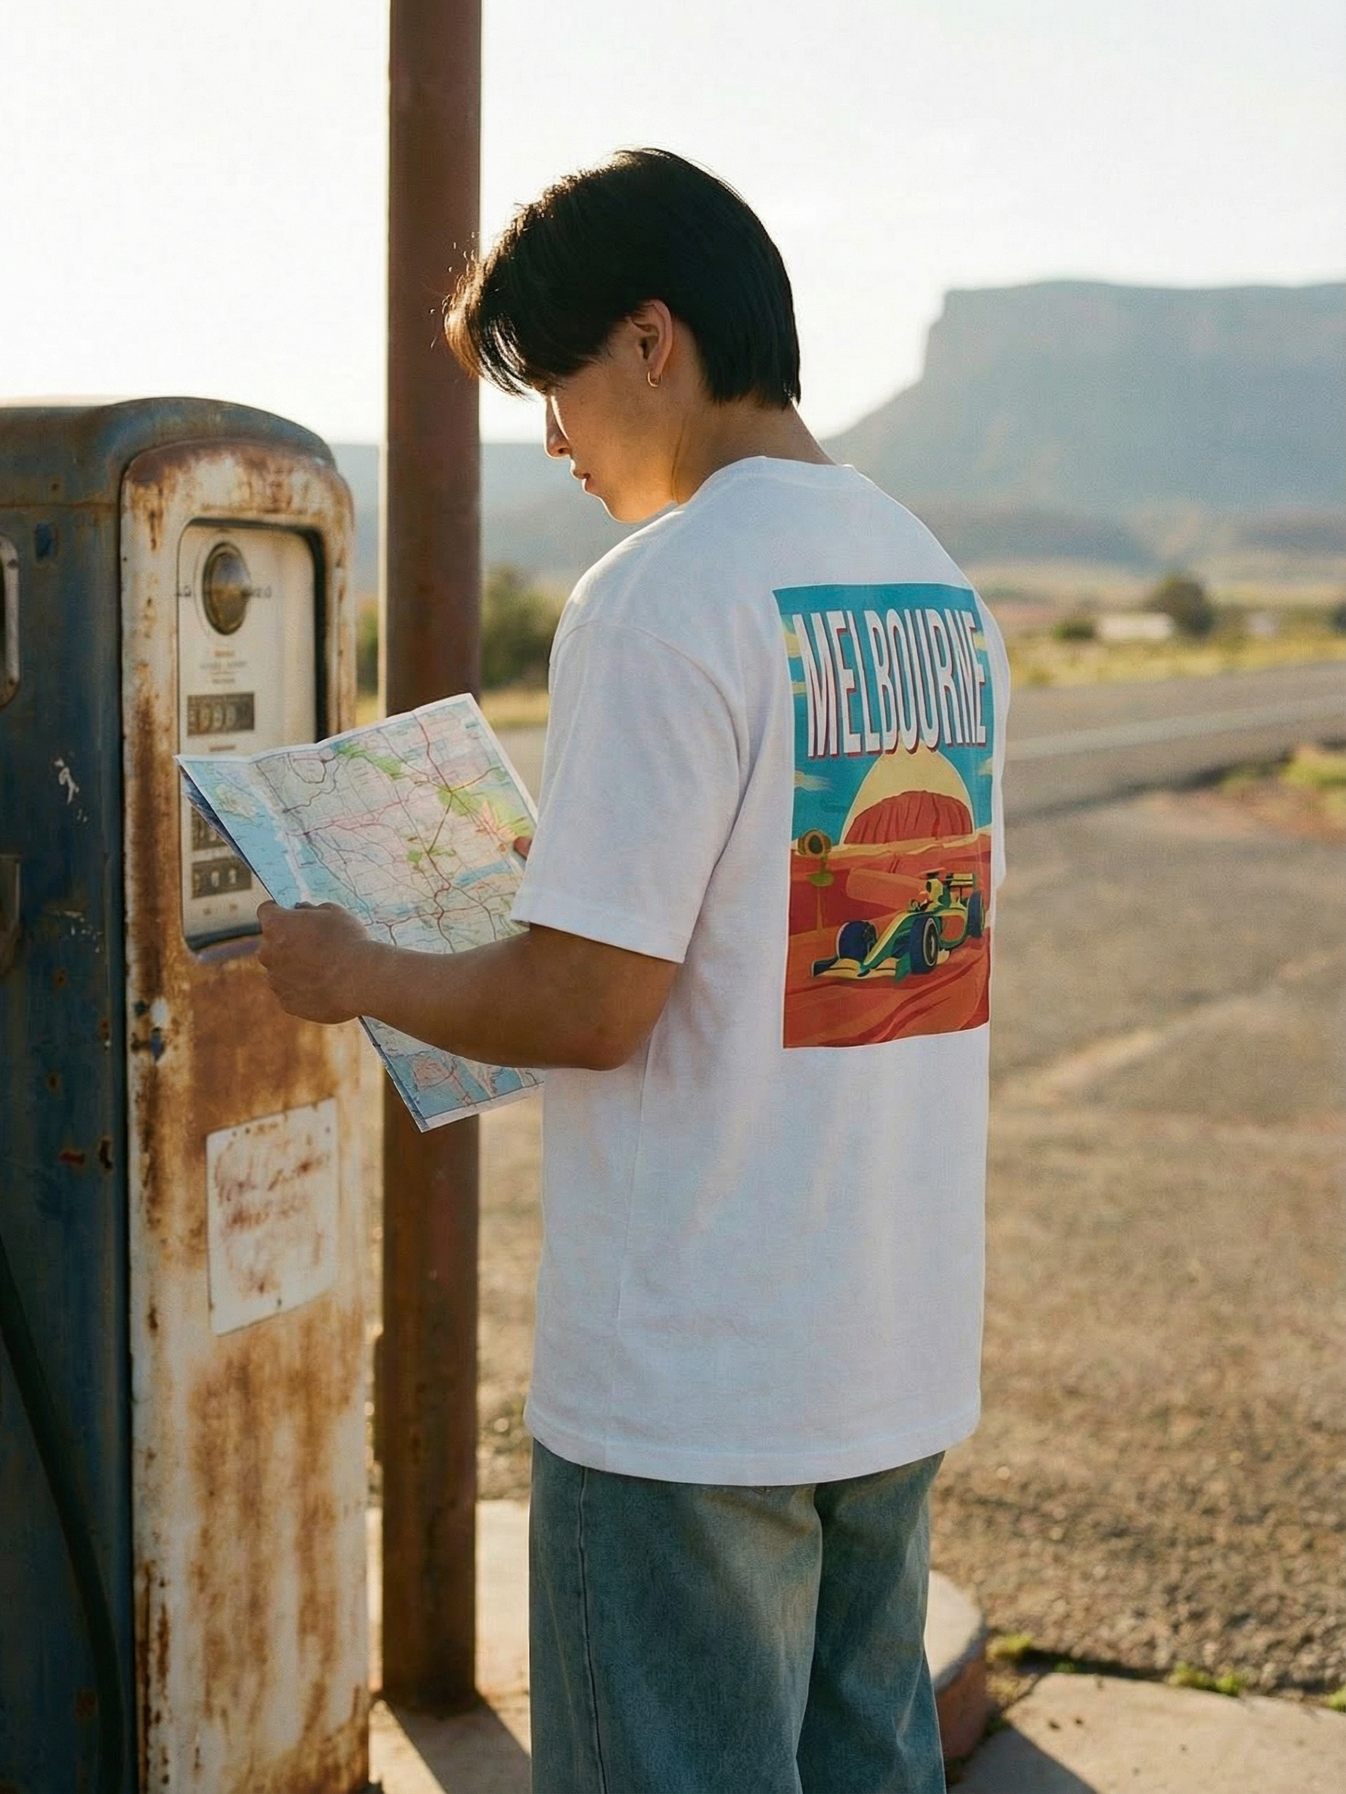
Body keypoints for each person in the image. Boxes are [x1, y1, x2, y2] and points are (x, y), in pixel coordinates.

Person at [258, 147, 1009, 1794]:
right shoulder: (937, 588)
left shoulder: (660, 597)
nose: (551, 437)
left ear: (653, 340)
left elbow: (590, 1005)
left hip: (693, 1379)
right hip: (883, 1349)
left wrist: (357, 963)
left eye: (553, 382)